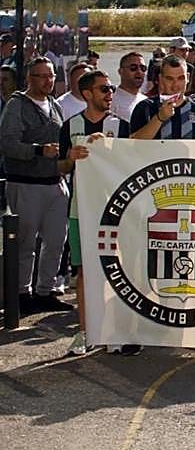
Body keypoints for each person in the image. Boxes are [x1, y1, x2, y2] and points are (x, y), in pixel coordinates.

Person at [58, 70, 123, 354]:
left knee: (117, 269)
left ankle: (114, 330)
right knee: (84, 272)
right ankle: (85, 331)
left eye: (111, 89)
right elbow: (60, 168)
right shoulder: (70, 125)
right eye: (104, 89)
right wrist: (70, 158)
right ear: (87, 94)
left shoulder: (120, 125)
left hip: (116, 212)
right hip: (80, 209)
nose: (110, 94)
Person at [0, 57, 70, 314]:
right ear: (30, 78)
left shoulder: (54, 105)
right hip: (26, 182)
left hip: (54, 181)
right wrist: (38, 150)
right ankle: (21, 292)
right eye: (41, 76)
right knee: (25, 243)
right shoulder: (17, 105)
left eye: (51, 76)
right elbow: (6, 144)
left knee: (56, 241)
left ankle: (45, 290)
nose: (47, 81)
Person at [129, 55, 195, 142]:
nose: (175, 85)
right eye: (170, 78)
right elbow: (132, 143)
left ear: (187, 78)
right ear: (160, 78)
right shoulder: (145, 107)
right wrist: (159, 118)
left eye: (181, 78)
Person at [112, 52, 146, 123]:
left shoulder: (146, 100)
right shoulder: (111, 101)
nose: (139, 71)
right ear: (121, 71)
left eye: (143, 68)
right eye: (133, 68)